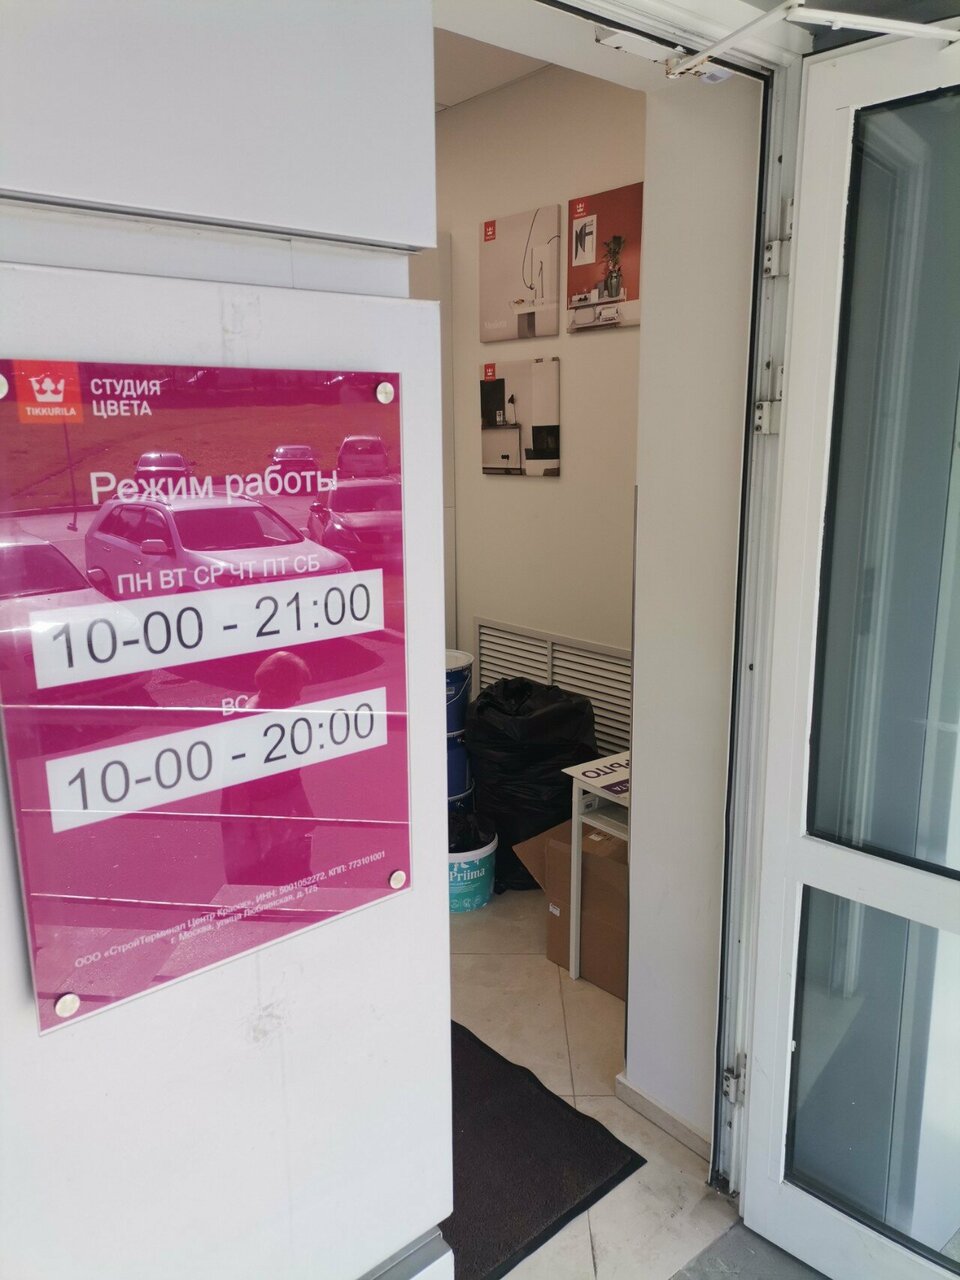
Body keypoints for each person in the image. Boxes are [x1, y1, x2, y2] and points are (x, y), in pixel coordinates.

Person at [221, 650, 317, 885]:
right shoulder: (251, 721)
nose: (298, 698)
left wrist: (302, 813)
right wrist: (244, 835)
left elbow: (290, 773)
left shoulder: (276, 715)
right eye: (295, 691)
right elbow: (237, 787)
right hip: (258, 822)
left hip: (277, 818)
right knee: (264, 881)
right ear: (277, 689)